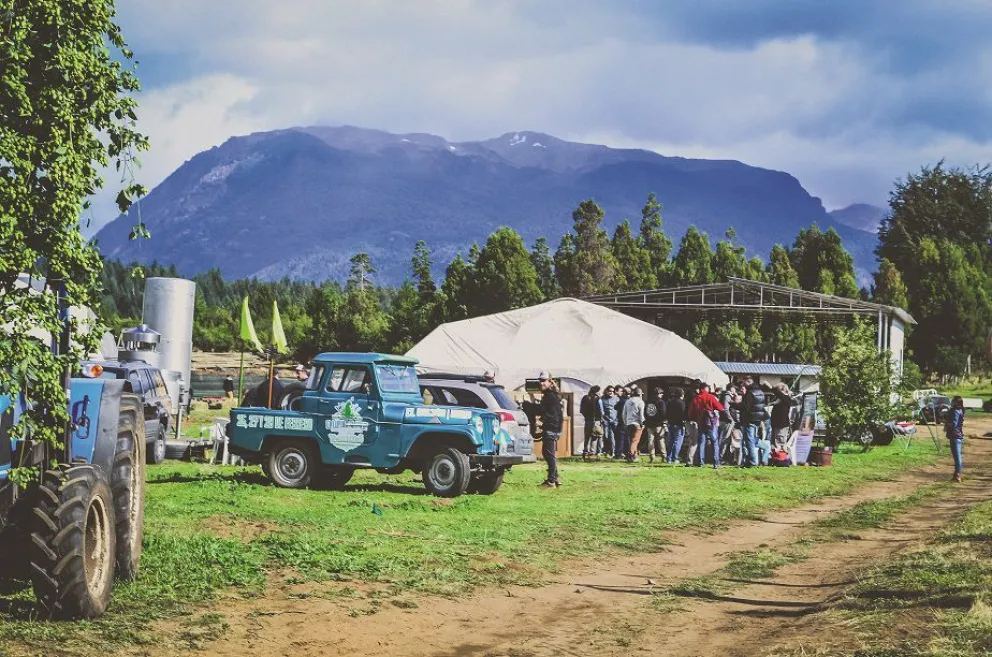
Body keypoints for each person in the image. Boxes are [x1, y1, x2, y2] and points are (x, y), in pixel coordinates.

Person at [688, 383, 725, 468]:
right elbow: (720, 408)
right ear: (706, 388)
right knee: (714, 442)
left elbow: (690, 413)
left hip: (700, 423)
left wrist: (696, 419)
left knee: (701, 442)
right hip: (711, 423)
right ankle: (716, 463)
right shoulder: (710, 397)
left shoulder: (696, 398)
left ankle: (701, 462)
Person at [538, 372, 563, 488]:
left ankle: (551, 481)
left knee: (549, 454)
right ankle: (555, 478)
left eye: (544, 381)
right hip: (552, 427)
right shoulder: (549, 395)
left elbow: (553, 414)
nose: (541, 383)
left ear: (550, 382)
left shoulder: (550, 396)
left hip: (551, 428)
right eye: (540, 381)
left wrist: (542, 422)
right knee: (548, 453)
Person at [740, 376, 766, 467]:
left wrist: (735, 405)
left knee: (749, 441)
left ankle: (752, 461)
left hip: (750, 419)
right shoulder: (761, 392)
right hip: (758, 419)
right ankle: (752, 460)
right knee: (753, 439)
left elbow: (746, 407)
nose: (742, 385)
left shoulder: (750, 393)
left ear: (748, 382)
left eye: (744, 383)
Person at [769, 383, 796, 451]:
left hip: (781, 426)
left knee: (780, 445)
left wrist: (769, 386)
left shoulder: (786, 398)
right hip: (776, 425)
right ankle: (776, 460)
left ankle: (782, 460)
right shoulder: (780, 400)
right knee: (775, 444)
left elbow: (778, 393)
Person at [643, 387, 667, 463]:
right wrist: (664, 422)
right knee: (661, 441)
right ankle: (664, 456)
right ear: (658, 394)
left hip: (649, 424)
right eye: (661, 393)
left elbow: (645, 413)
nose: (662, 394)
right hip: (659, 424)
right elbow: (663, 413)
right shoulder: (661, 402)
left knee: (650, 441)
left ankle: (652, 457)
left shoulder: (648, 401)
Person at [623, 385, 646, 463]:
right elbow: (641, 415)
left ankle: (634, 456)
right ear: (640, 394)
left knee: (631, 440)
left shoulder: (628, 401)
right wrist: (643, 424)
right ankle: (631, 455)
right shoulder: (640, 402)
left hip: (629, 423)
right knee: (635, 441)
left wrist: (625, 423)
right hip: (637, 424)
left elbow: (624, 413)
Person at [945, 396, 965, 482]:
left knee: (957, 456)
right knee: (957, 456)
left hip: (955, 436)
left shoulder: (955, 411)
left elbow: (954, 423)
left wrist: (947, 425)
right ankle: (956, 474)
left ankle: (957, 475)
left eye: (953, 400)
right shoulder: (959, 410)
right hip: (958, 435)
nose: (951, 401)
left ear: (956, 402)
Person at [580, 385, 603, 459]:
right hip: (596, 420)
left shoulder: (585, 398)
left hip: (587, 420)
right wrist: (601, 418)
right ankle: (592, 453)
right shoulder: (598, 399)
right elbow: (601, 411)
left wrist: (586, 416)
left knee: (587, 437)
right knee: (594, 437)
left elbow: (582, 410)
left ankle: (585, 452)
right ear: (597, 391)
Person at [666, 387, 687, 464]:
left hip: (670, 423)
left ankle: (669, 458)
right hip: (679, 424)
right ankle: (675, 458)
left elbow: (666, 413)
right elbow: (683, 414)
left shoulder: (670, 402)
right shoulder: (682, 403)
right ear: (682, 395)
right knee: (678, 441)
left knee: (670, 441)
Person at [600, 386, 618, 458]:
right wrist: (603, 419)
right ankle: (606, 451)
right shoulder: (602, 399)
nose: (611, 392)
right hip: (606, 421)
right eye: (610, 391)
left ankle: (613, 452)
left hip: (614, 420)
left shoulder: (616, 399)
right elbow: (601, 410)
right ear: (606, 391)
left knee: (612, 437)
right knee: (606, 436)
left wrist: (616, 420)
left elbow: (618, 410)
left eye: (613, 391)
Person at [613, 386, 630, 459]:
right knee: (628, 439)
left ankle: (618, 454)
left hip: (621, 421)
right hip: (629, 422)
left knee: (620, 439)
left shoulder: (622, 401)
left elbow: (615, 407)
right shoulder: (630, 401)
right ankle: (628, 453)